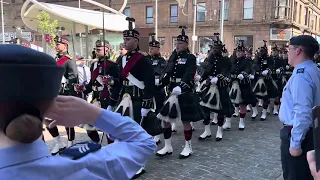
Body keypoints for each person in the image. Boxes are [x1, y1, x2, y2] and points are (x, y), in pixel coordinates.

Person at [0, 45, 156, 179]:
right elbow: (143, 143)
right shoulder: (88, 167)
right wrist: (91, 112)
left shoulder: (112, 64)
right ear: (50, 103)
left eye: (99, 48)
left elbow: (122, 81)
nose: (97, 50)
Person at [116, 17, 155, 178]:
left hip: (138, 99)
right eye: (124, 38)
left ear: (137, 41)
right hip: (125, 99)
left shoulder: (143, 59)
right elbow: (119, 79)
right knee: (124, 131)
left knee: (137, 132)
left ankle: (140, 163)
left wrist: (147, 102)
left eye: (128, 39)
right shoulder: (121, 59)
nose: (125, 41)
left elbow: (149, 82)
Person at [156, 26, 203, 158]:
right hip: (172, 91)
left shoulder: (190, 57)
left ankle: (188, 146)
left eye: (180, 43)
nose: (177, 45)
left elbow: (189, 73)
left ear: (186, 44)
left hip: (184, 92)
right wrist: (160, 82)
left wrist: (181, 86)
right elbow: (168, 71)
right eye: (176, 43)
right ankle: (167, 146)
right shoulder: (173, 56)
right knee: (165, 119)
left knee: (186, 120)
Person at [279, 35, 320, 180]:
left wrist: (295, 143)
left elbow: (303, 112)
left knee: (295, 175)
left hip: (298, 134)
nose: (287, 53)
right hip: (310, 134)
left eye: (289, 49)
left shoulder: (301, 75)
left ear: (298, 51)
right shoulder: (313, 69)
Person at [198, 33, 233, 141]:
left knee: (220, 109)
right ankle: (207, 130)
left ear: (221, 49)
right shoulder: (209, 59)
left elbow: (226, 71)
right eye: (214, 48)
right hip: (209, 86)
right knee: (205, 108)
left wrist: (219, 77)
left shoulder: (225, 60)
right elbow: (204, 70)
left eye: (218, 48)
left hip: (220, 86)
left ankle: (219, 130)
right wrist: (201, 78)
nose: (215, 50)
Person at [46, 36, 77, 155]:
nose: (56, 46)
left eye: (59, 44)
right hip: (53, 93)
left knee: (67, 121)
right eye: (56, 44)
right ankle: (58, 142)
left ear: (66, 46)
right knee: (47, 119)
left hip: (65, 93)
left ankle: (70, 143)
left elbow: (73, 78)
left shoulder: (69, 60)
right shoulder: (55, 59)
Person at [227, 40, 257, 130]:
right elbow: (228, 69)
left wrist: (243, 74)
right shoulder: (232, 60)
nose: (238, 53)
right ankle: (227, 122)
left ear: (244, 53)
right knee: (228, 103)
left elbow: (248, 69)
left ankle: (241, 121)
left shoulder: (247, 61)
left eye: (240, 51)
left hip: (243, 84)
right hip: (232, 84)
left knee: (243, 104)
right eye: (237, 51)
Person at [148, 33, 167, 145]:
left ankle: (157, 134)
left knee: (158, 112)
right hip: (148, 89)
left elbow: (163, 72)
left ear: (158, 49)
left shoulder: (161, 61)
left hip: (158, 89)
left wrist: (158, 80)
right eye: (150, 47)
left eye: (153, 48)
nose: (151, 49)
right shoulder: (146, 59)